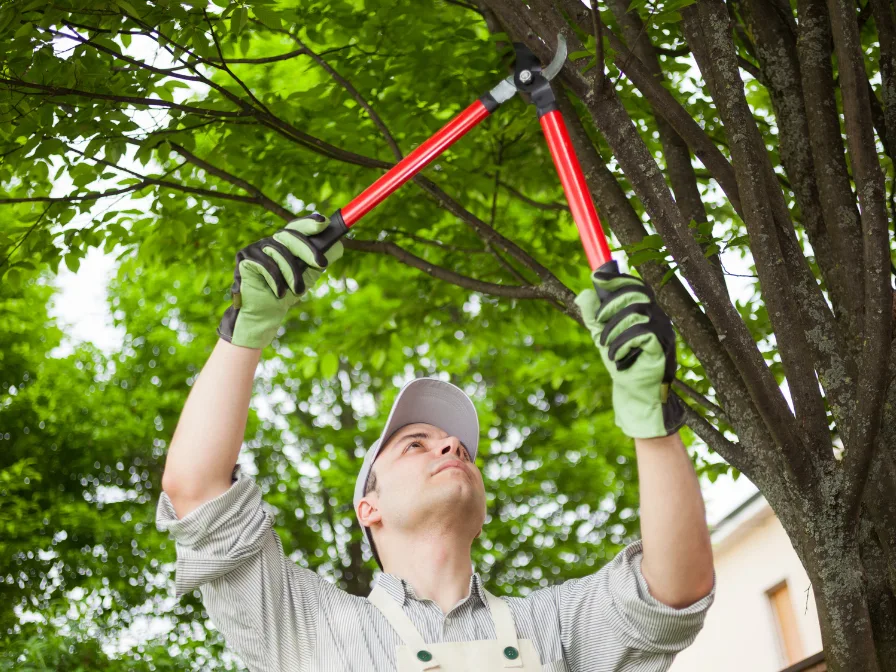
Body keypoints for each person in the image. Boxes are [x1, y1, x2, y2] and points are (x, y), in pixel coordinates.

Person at [156, 214, 715, 672]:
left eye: (461, 451)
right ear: (367, 507)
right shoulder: (308, 626)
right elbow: (197, 492)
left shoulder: (555, 626)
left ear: (483, 514)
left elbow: (675, 592)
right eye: (416, 445)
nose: (451, 448)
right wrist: (246, 330)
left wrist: (652, 418)